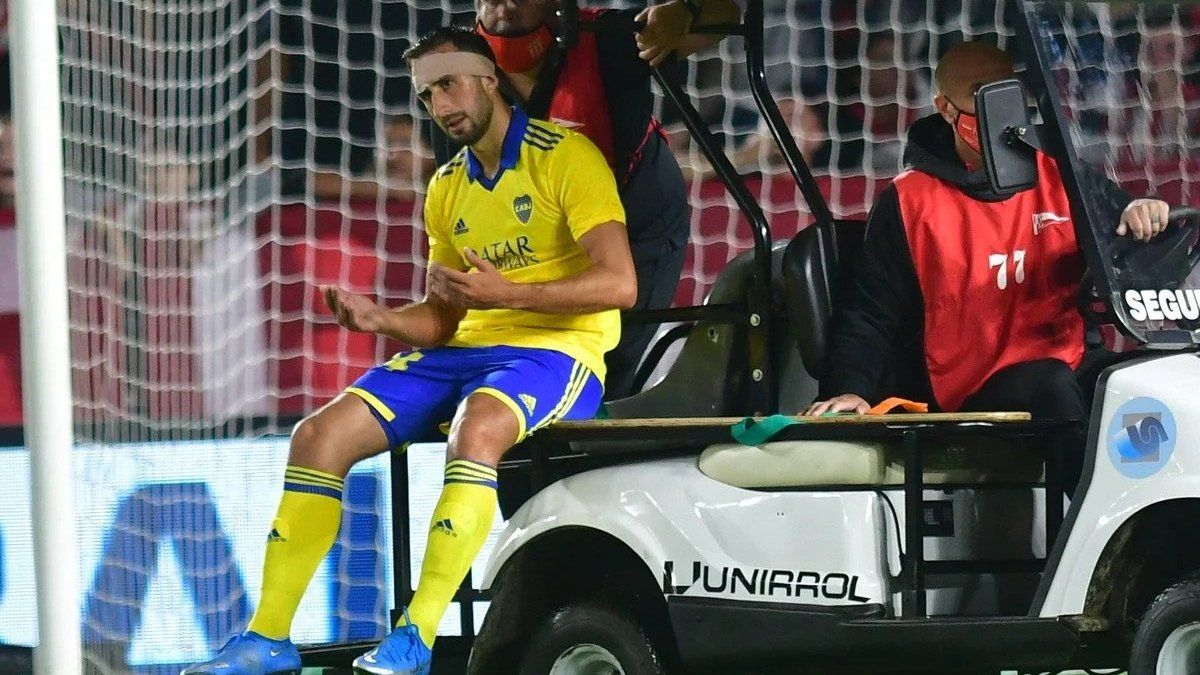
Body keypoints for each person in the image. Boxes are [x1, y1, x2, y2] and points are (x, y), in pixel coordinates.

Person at [183, 26, 636, 675]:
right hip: (464, 353)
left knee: (477, 426)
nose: (439, 105)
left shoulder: (566, 156)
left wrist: (507, 292)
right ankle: (267, 639)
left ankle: (415, 637)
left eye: (448, 85)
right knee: (316, 436)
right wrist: (381, 319)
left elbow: (621, 284)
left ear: (488, 78)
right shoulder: (447, 186)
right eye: (426, 96)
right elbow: (444, 319)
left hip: (558, 352)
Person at [805, 42, 1168, 467]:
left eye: (1007, 90)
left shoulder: (1060, 171)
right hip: (974, 384)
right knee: (1050, 387)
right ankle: (1095, 507)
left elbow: (1124, 228)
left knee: (1151, 380)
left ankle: (1158, 503)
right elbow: (870, 312)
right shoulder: (910, 200)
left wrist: (1140, 212)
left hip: (1071, 358)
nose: (999, 110)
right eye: (982, 94)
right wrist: (848, 389)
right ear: (945, 108)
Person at [438, 0, 739, 399]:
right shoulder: (449, 69)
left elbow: (726, 14)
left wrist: (683, 10)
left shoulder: (610, 38)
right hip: (536, 233)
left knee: (601, 368)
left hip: (638, 220)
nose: (506, 5)